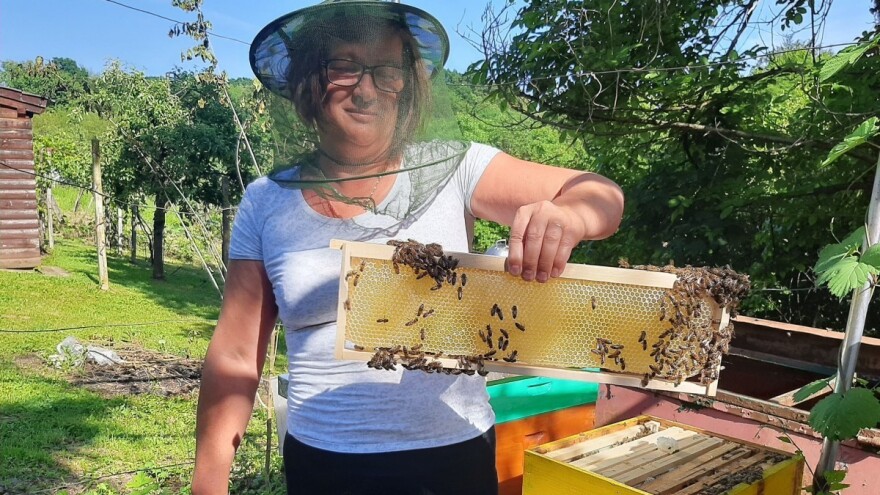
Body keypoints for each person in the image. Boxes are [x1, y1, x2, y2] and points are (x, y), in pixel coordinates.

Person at [192, 1, 624, 494]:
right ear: (309, 82)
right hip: (322, 463)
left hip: (453, 456)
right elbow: (235, 353)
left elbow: (601, 194)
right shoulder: (266, 201)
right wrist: (209, 481)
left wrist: (570, 215)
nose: (366, 89)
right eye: (344, 66)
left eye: (387, 71)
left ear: (408, 86)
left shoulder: (458, 168)